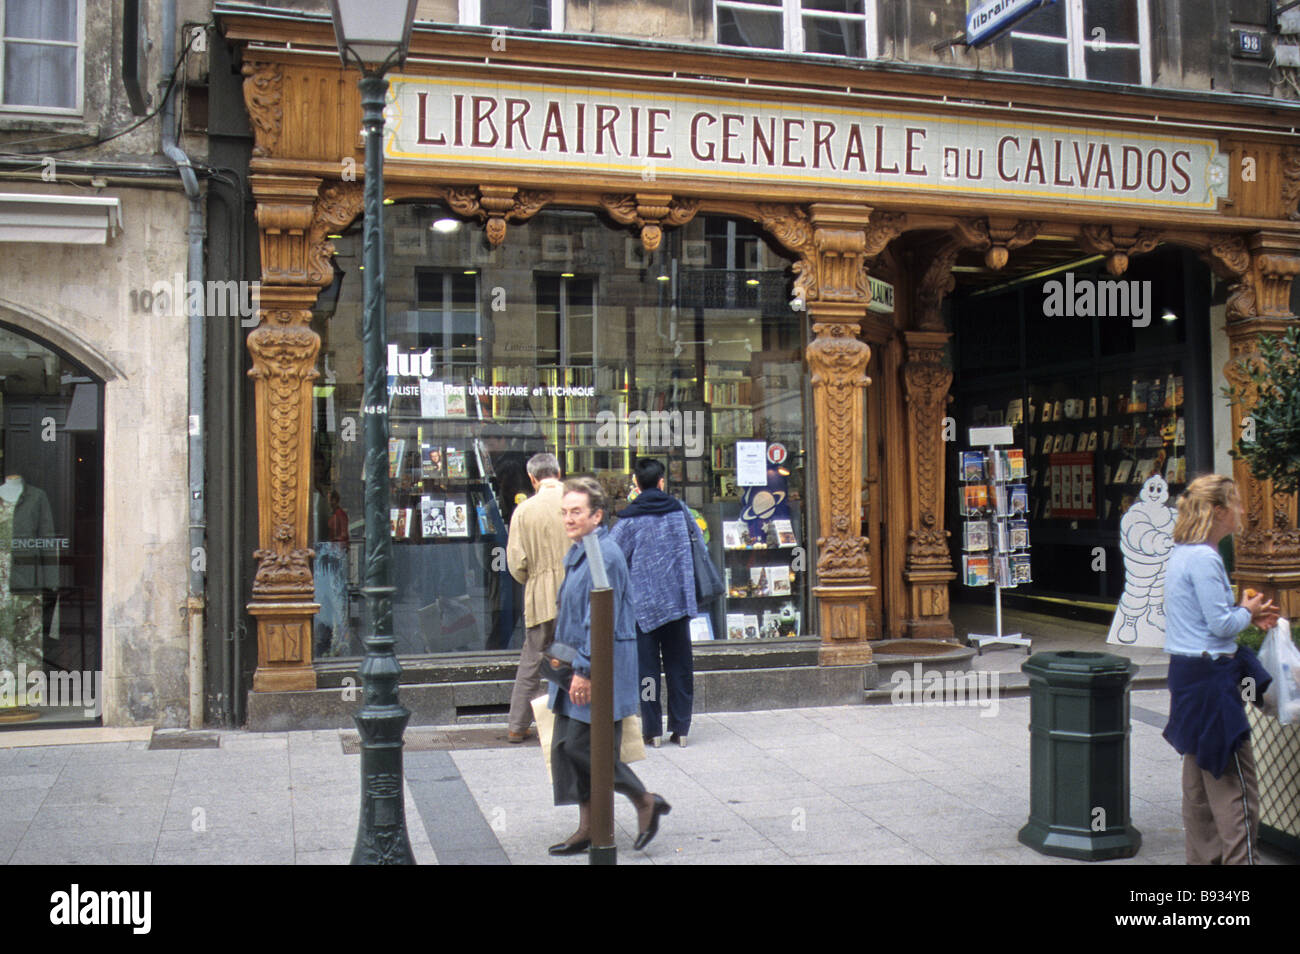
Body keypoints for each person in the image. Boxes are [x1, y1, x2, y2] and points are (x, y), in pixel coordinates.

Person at [546, 476, 670, 855]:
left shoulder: (604, 555)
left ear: (597, 515)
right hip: (572, 667)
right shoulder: (582, 550)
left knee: (587, 748)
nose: (569, 518)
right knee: (568, 747)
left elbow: (602, 618)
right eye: (565, 512)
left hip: (597, 668)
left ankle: (643, 800)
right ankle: (588, 826)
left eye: (577, 512)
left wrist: (584, 670)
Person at [1162, 474, 1279, 865]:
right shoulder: (1206, 558)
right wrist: (1246, 611)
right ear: (1218, 511)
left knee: (1197, 783)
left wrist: (1245, 613)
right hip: (1213, 680)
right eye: (1236, 503)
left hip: (1186, 676)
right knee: (1235, 786)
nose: (1242, 511)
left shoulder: (1180, 553)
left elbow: (1206, 618)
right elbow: (1221, 626)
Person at [610, 458, 697, 747]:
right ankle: (681, 729)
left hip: (642, 608)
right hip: (678, 603)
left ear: (636, 483)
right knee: (679, 669)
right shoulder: (679, 511)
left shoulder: (630, 518)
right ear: (661, 481)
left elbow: (612, 556)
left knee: (647, 673)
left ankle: (652, 730)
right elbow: (699, 543)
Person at [504, 453, 569, 743]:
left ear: (532, 479)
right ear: (559, 472)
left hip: (540, 596)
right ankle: (573, 722)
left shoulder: (524, 510)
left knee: (532, 660)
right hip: (576, 595)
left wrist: (535, 578)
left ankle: (517, 726)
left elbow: (517, 563)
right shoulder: (577, 503)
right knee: (576, 658)